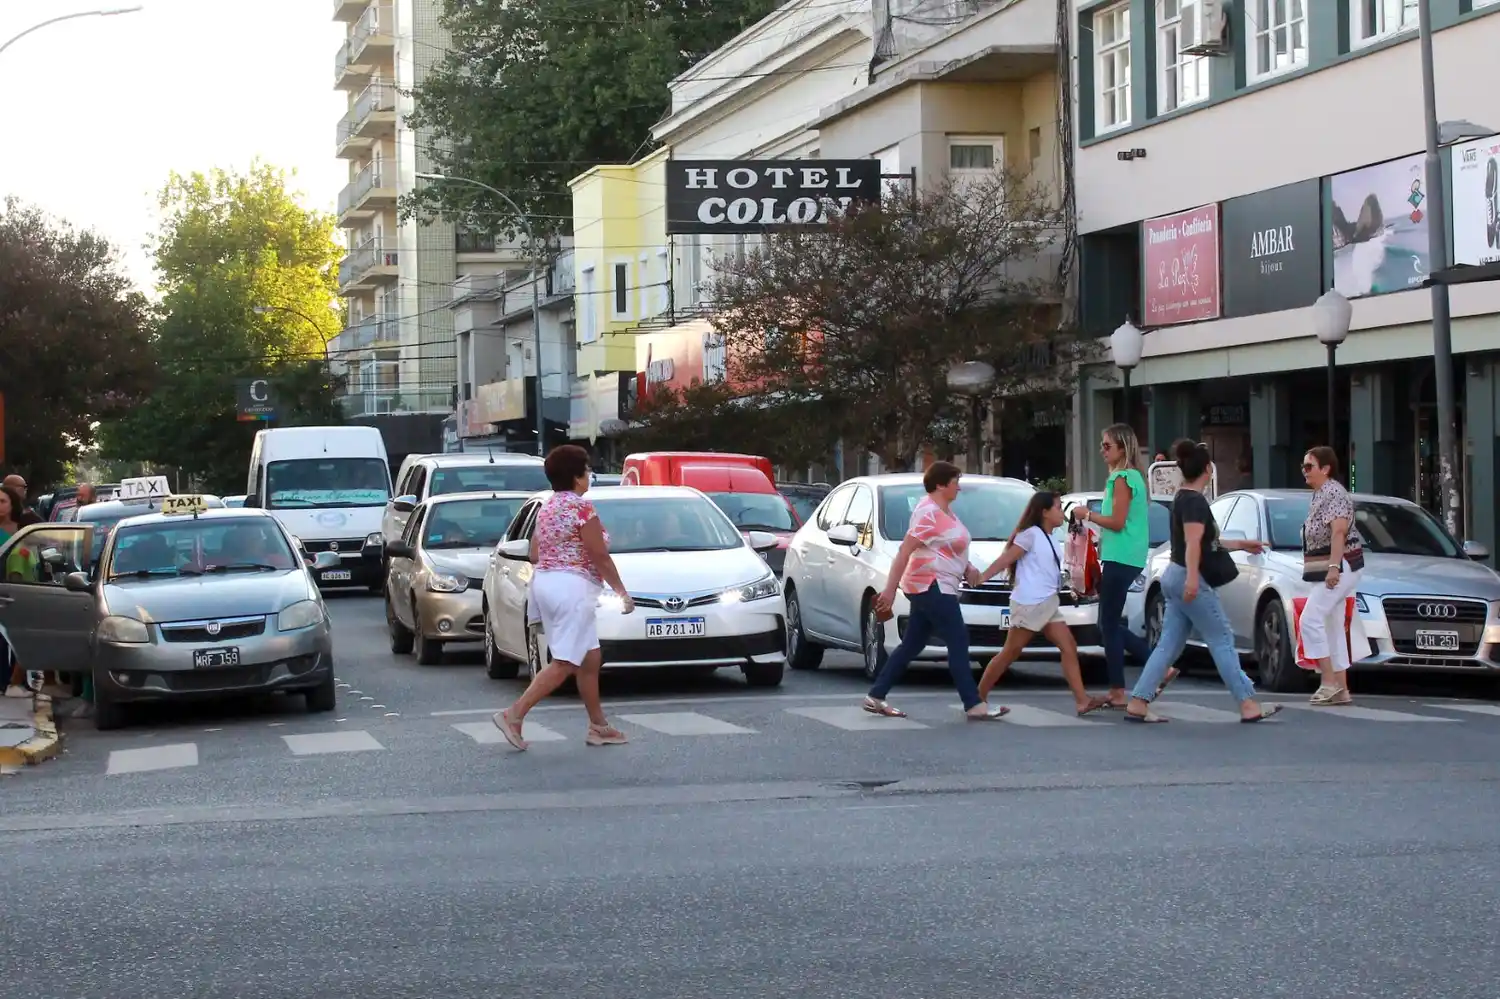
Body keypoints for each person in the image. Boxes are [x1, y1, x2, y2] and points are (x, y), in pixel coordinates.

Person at [1124, 440, 1281, 723]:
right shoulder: (1196, 502)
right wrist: (1194, 579)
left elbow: (1205, 542)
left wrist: (1242, 544)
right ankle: (1247, 704)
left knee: (1169, 644)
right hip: (1187, 575)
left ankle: (1139, 700)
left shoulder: (1182, 498)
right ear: (1208, 469)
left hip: (1174, 573)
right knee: (1221, 638)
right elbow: (1195, 543)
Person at [493, 445, 631, 750]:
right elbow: (599, 555)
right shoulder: (582, 508)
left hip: (547, 584)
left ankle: (598, 726)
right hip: (572, 589)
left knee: (589, 658)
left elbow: (534, 552)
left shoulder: (549, 506)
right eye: (587, 469)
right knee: (566, 661)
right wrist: (622, 592)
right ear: (577, 476)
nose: (590, 475)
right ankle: (514, 714)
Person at [863, 461, 1007, 721]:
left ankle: (876, 695)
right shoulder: (928, 513)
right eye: (955, 482)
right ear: (940, 485)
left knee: (912, 644)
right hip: (931, 584)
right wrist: (889, 590)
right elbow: (905, 551)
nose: (958, 488)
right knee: (958, 638)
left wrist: (968, 568)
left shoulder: (946, 513)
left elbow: (947, 547)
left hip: (939, 584)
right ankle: (973, 703)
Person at [974, 491, 1110, 716]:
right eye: (1057, 507)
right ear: (1044, 512)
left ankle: (1082, 700)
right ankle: (977, 698)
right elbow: (1006, 559)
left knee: (1068, 646)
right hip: (1030, 603)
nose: (1061, 512)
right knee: (1010, 652)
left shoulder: (1049, 538)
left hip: (1047, 603)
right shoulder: (1030, 535)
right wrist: (982, 577)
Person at [1070, 424, 1155, 708]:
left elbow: (1117, 522)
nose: (1102, 451)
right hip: (1125, 554)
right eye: (1102, 445)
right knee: (1108, 623)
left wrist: (1088, 514)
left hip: (1121, 555)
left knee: (1107, 623)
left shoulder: (1122, 478)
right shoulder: (1132, 478)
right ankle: (1130, 681)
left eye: (1107, 446)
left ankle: (1132, 680)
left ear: (1123, 448)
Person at [1299, 446, 1364, 706]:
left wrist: (1334, 568)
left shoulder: (1334, 493)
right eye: (1303, 466)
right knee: (1332, 625)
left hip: (1342, 564)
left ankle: (1328, 682)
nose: (1304, 472)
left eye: (1309, 466)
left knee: (1310, 619)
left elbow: (1339, 532)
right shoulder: (1320, 494)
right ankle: (1342, 688)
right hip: (1333, 565)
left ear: (1325, 468)